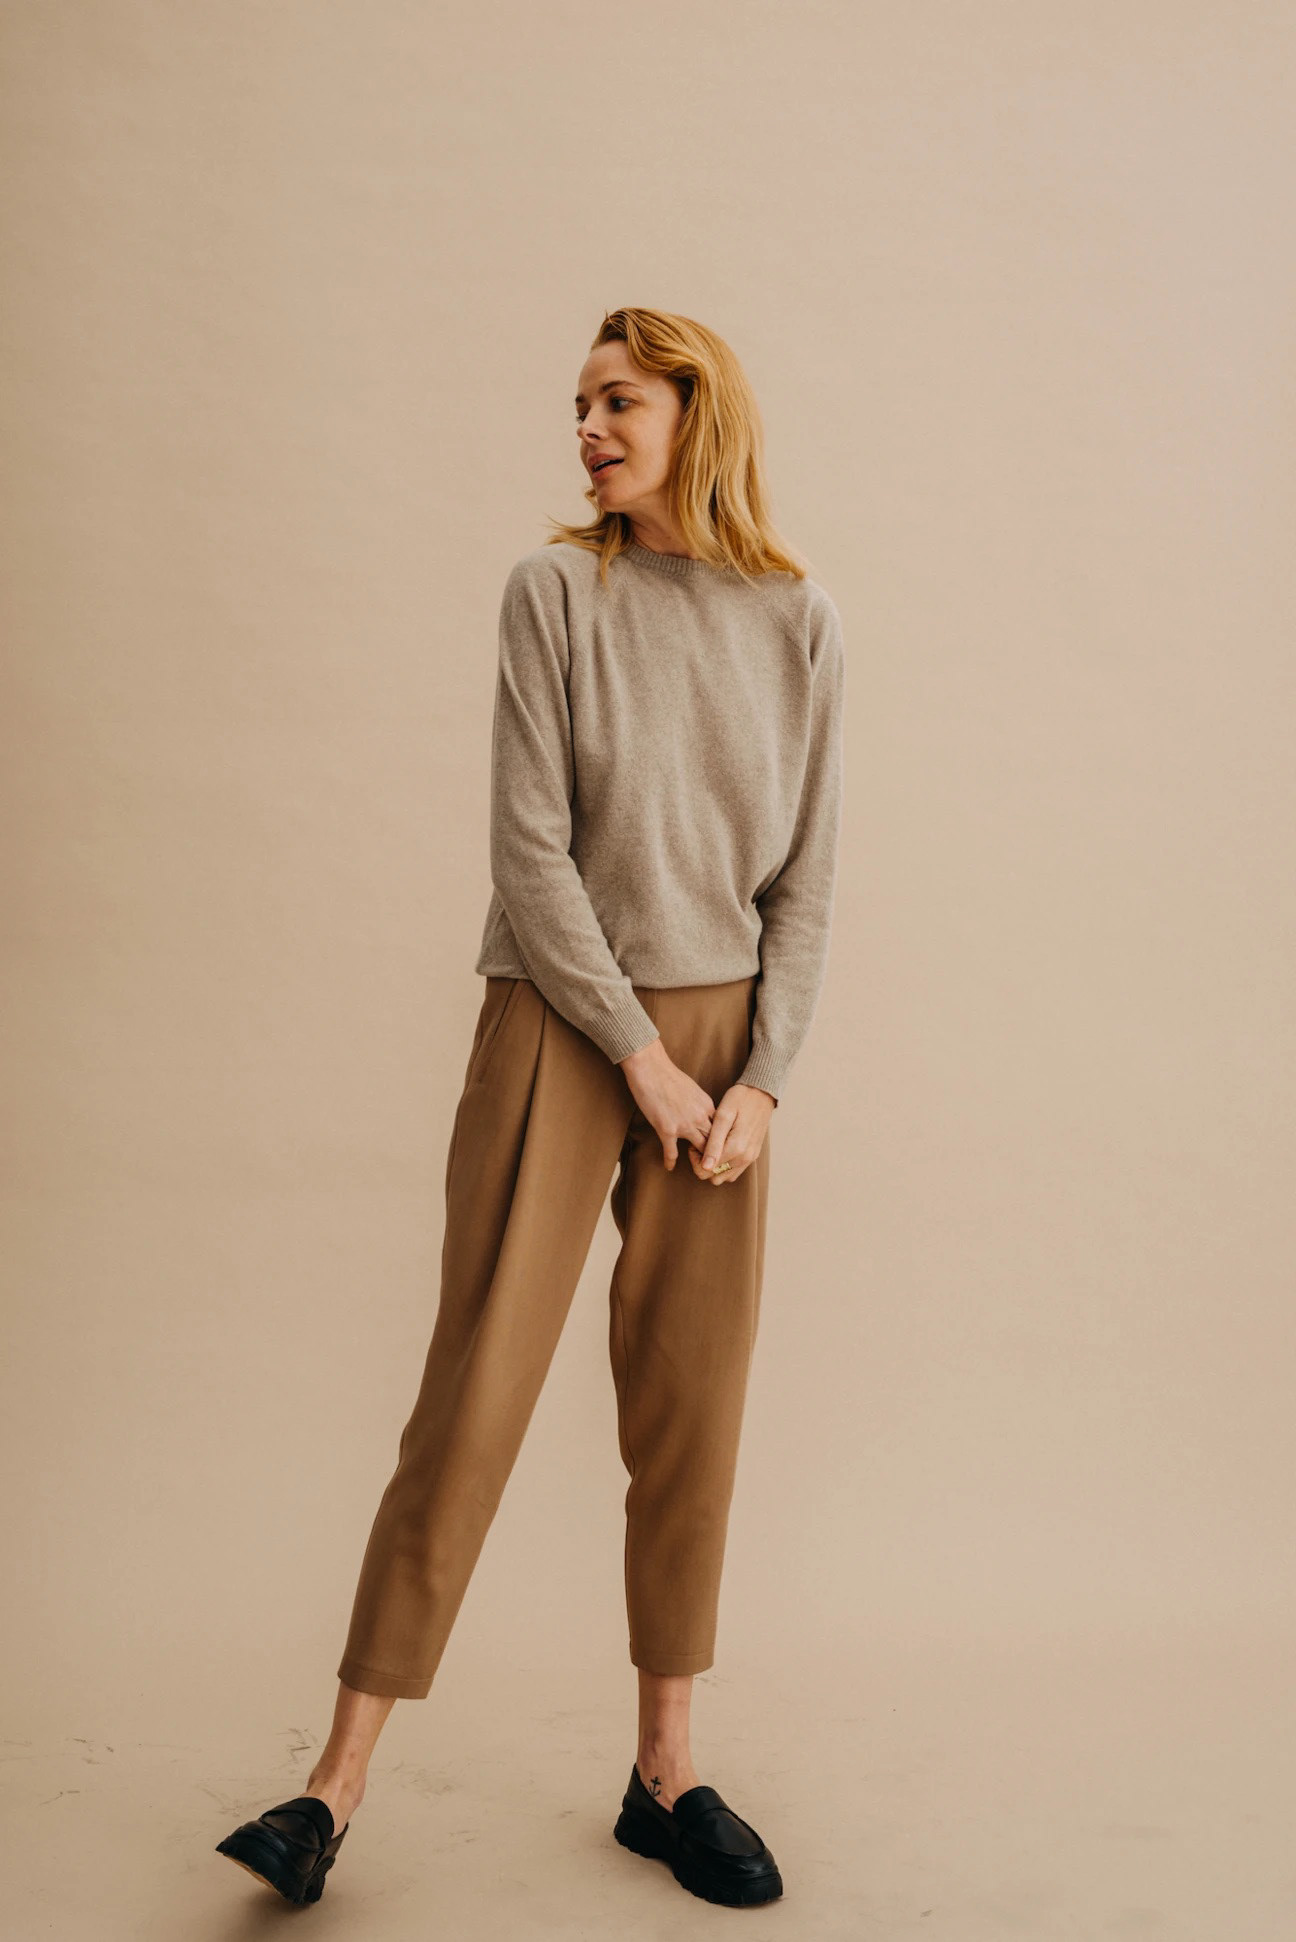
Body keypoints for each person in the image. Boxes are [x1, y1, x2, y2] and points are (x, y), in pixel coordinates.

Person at [216, 305, 845, 1911]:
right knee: (475, 1391)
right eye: (578, 405)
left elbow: (807, 881)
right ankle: (331, 1786)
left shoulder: (800, 620)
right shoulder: (555, 593)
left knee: (693, 1406)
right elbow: (529, 850)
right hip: (565, 1020)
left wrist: (763, 1076)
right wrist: (639, 1052)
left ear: (697, 411)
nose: (587, 430)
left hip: (726, 1043)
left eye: (616, 400)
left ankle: (666, 1773)